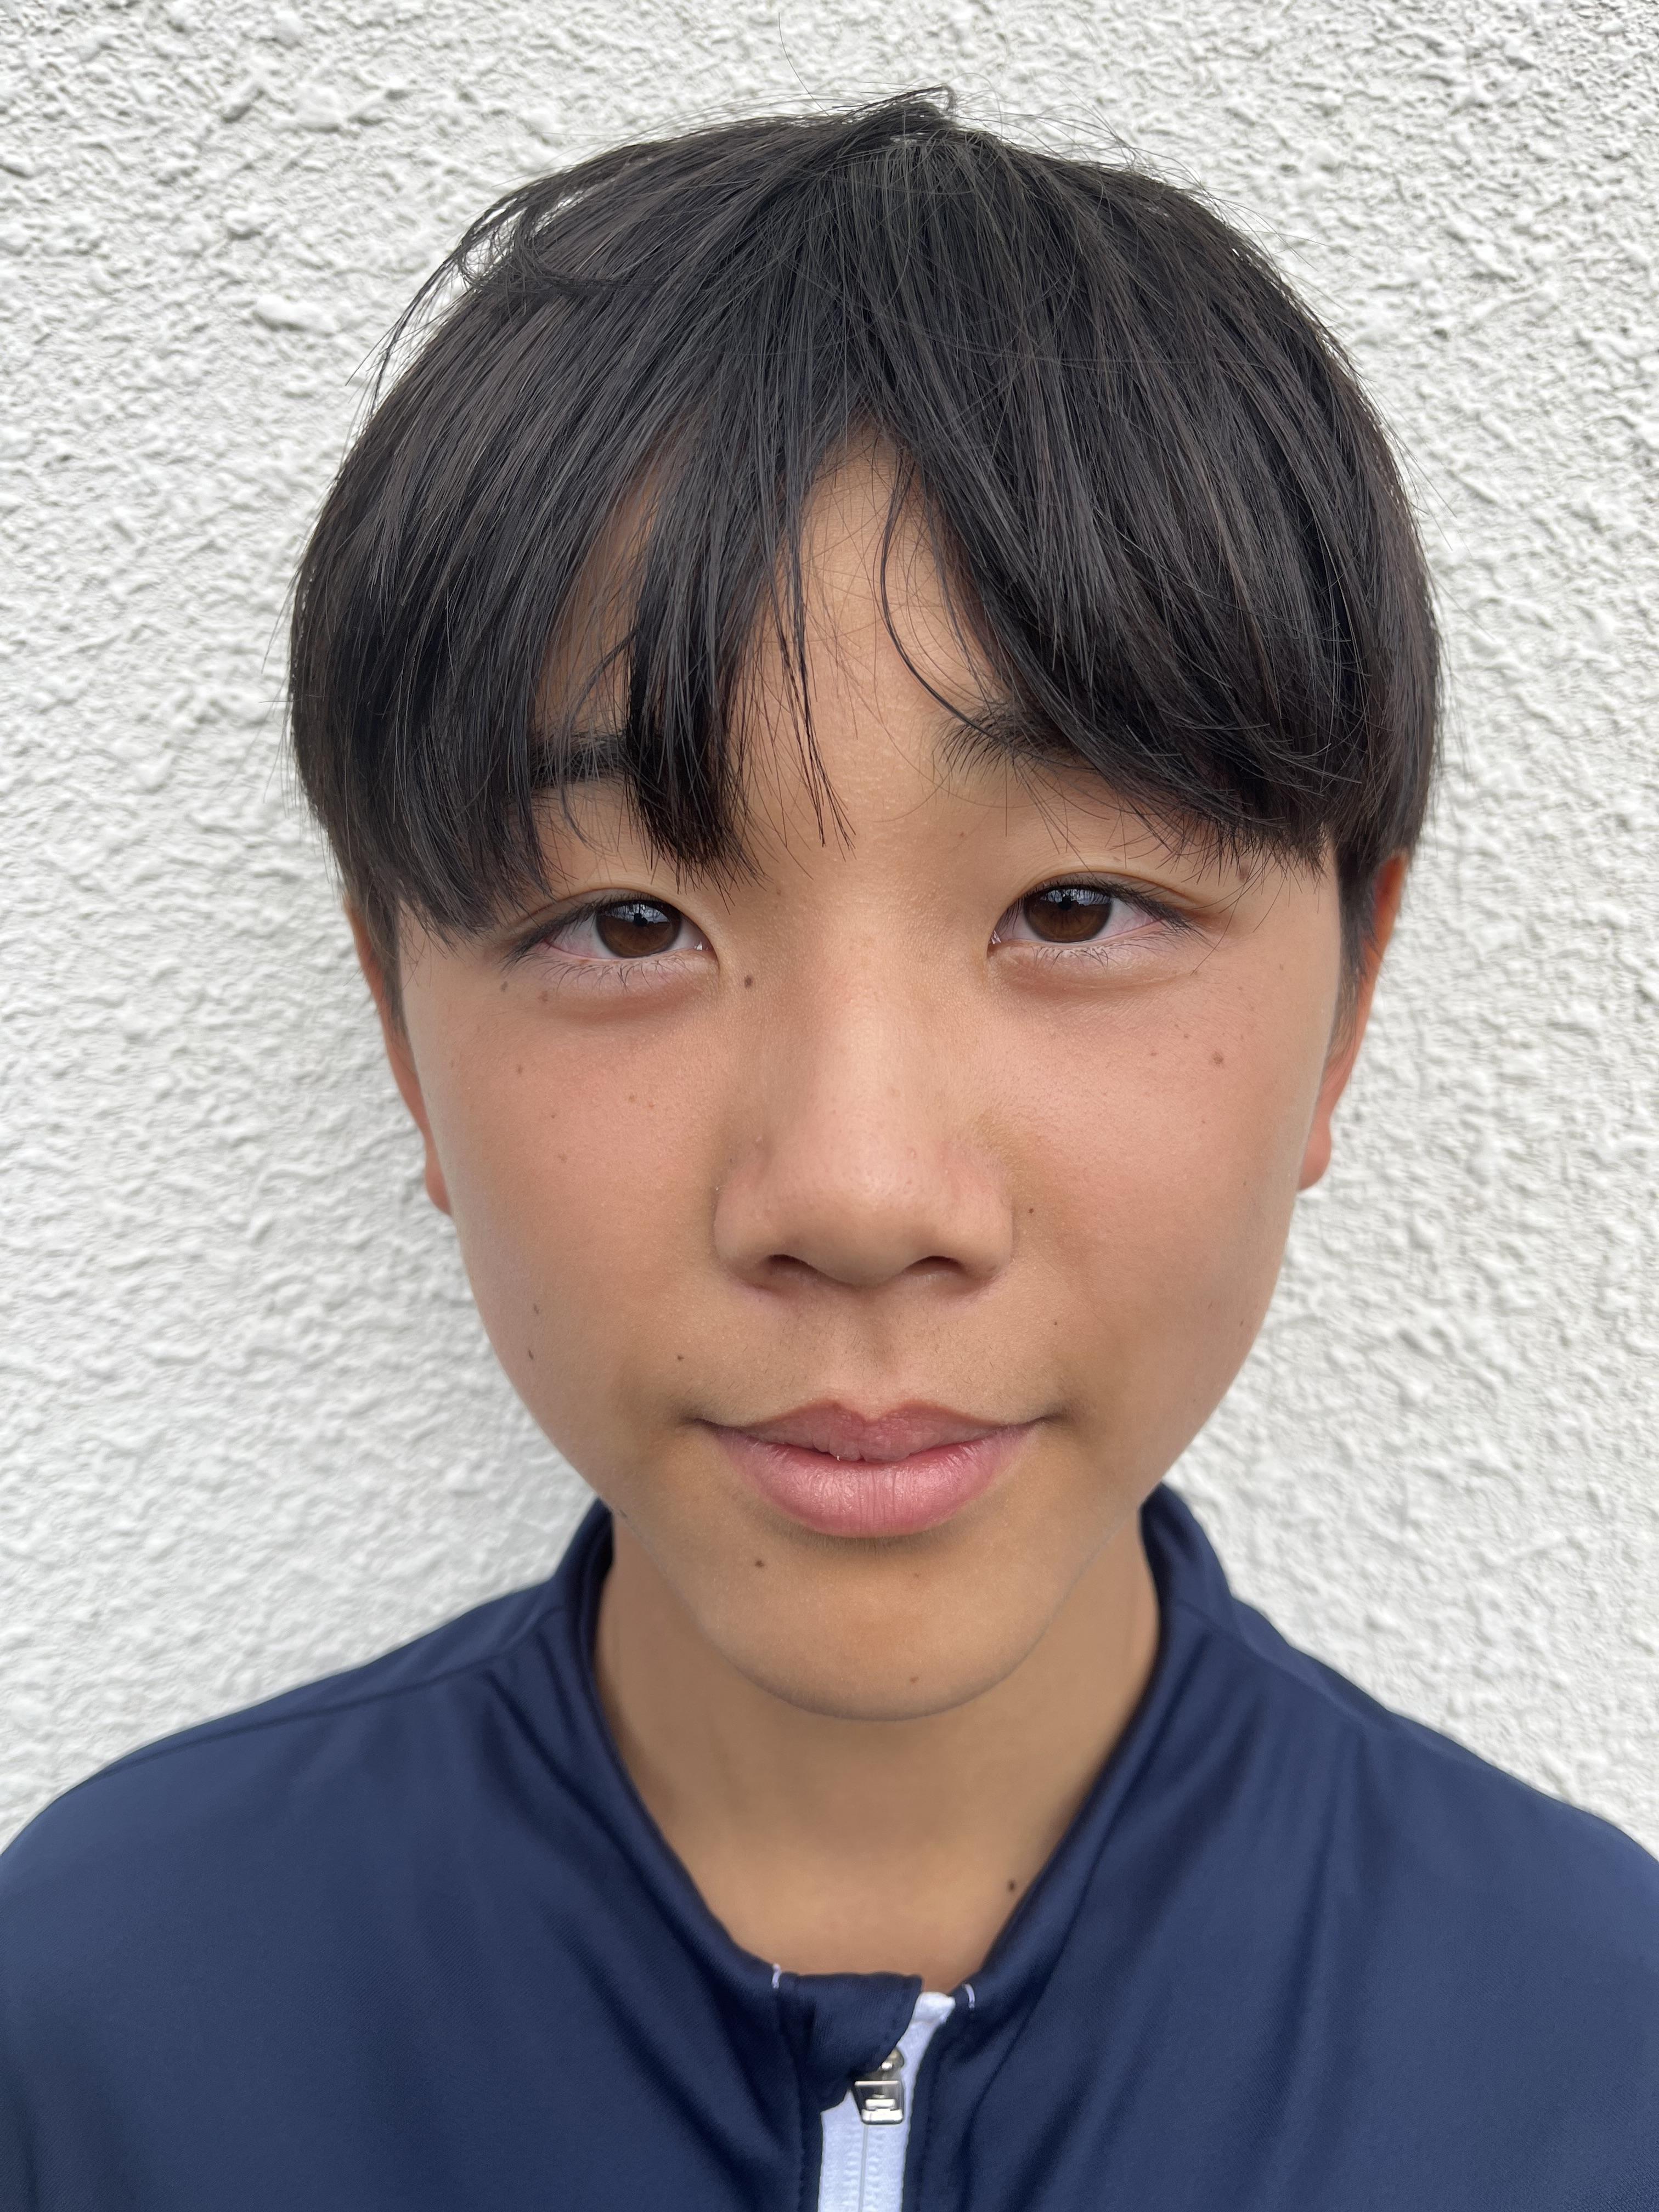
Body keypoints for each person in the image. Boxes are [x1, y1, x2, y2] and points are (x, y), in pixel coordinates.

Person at [1, 92, 1654, 2212]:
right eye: (628, 925)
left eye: (1075, 907)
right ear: (401, 1029)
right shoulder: (100, 2027)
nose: (859, 1196)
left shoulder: (1600, 2067)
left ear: (1347, 998)